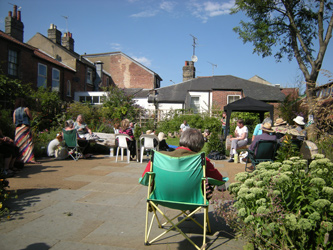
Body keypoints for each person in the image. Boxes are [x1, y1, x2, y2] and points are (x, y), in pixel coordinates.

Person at [142, 128, 223, 181]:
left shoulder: (158, 157)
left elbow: (144, 178)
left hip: (160, 197)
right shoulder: (202, 160)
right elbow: (219, 179)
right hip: (191, 199)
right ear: (200, 146)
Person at [13, 98, 39, 164]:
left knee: (19, 144)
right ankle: (30, 159)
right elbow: (30, 117)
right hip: (25, 127)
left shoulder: (15, 111)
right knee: (29, 143)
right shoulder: (26, 109)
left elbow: (14, 121)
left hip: (18, 129)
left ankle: (19, 158)